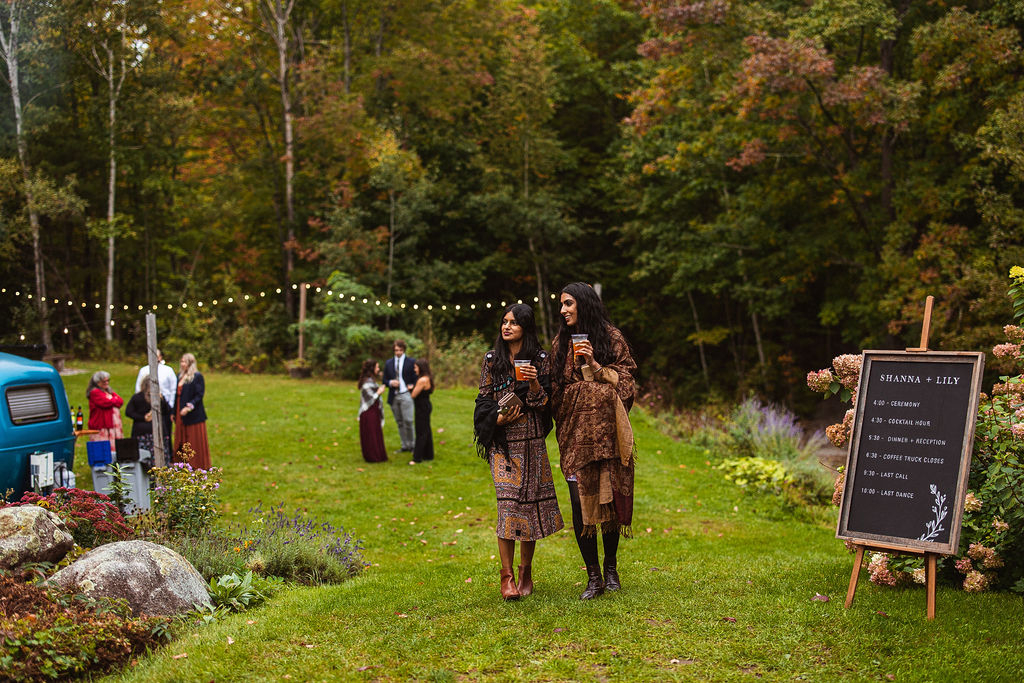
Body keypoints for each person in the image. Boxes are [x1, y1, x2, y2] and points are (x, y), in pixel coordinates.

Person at [550, 282, 637, 600]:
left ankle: (611, 568)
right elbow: (554, 388)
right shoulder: (561, 343)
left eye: (568, 303)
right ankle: (593, 576)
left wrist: (596, 366)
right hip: (576, 437)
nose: (563, 310)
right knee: (579, 503)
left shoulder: (612, 338)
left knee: (608, 501)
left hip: (609, 437)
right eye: (562, 304)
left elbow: (627, 383)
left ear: (584, 304)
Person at [474, 304, 563, 601]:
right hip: (503, 444)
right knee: (508, 507)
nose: (507, 326)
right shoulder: (492, 360)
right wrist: (496, 420)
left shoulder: (540, 359)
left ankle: (526, 572)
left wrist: (534, 381)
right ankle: (507, 577)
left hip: (532, 442)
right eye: (504, 321)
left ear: (526, 327)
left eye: (513, 322)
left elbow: (544, 404)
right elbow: (483, 399)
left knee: (529, 508)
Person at [174, 352, 211, 469]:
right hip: (179, 411)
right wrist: (173, 412)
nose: (182, 364)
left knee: (193, 439)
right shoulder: (179, 376)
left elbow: (199, 395)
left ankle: (196, 464)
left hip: (193, 415)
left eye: (184, 362)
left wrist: (189, 407)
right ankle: (182, 463)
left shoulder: (197, 376)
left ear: (190, 363)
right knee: (181, 438)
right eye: (181, 361)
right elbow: (176, 395)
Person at [125, 376, 173, 458]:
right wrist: (143, 417)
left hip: (148, 431)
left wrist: (162, 400)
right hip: (148, 432)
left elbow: (129, 412)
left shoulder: (156, 397)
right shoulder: (139, 398)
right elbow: (167, 411)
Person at [382, 339, 416, 453]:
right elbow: (384, 380)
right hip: (394, 395)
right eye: (396, 350)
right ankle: (404, 445)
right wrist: (391, 382)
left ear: (404, 350)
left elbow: (416, 377)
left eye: (400, 350)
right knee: (400, 422)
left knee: (408, 421)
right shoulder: (389, 363)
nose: (398, 352)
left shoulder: (411, 362)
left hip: (406, 394)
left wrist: (412, 385)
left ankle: (412, 445)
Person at [357, 359, 388, 463]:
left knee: (376, 433)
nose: (378, 369)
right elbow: (371, 398)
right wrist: (379, 392)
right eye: (377, 367)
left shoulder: (371, 380)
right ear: (372, 368)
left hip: (374, 410)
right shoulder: (367, 383)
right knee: (371, 434)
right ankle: (373, 457)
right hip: (368, 412)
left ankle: (379, 455)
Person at [86, 370, 124, 453]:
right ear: (97, 382)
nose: (106, 383)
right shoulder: (95, 392)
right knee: (102, 449)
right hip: (101, 425)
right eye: (104, 381)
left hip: (112, 425)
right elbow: (105, 403)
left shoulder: (108, 391)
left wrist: (112, 400)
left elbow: (120, 401)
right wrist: (113, 400)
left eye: (108, 380)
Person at [410, 359, 434, 464]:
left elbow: (413, 395)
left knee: (421, 432)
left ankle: (417, 457)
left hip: (421, 408)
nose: (414, 369)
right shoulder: (428, 378)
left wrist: (410, 389)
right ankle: (428, 455)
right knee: (426, 430)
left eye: (416, 367)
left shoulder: (422, 380)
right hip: (426, 406)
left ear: (420, 368)